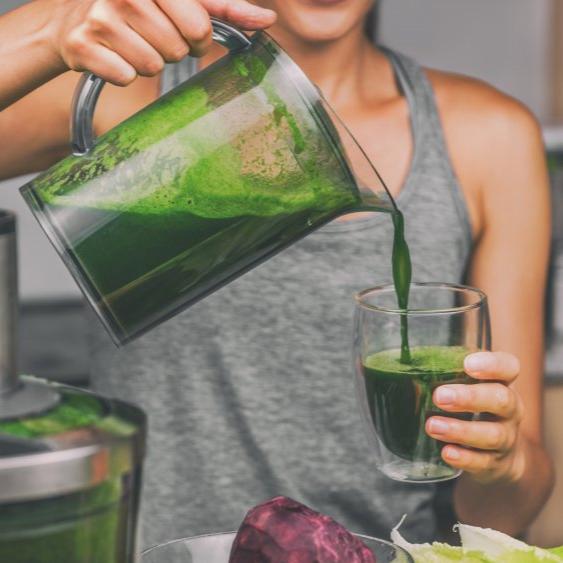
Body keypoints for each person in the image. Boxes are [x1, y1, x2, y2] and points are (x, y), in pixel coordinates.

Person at [0, 0, 554, 548]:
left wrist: (501, 463)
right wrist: (51, 26)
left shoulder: (488, 139)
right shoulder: (125, 93)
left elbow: (504, 517)